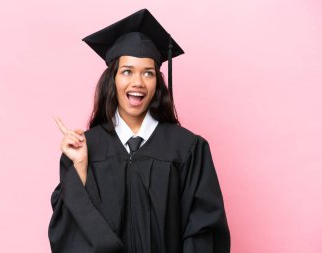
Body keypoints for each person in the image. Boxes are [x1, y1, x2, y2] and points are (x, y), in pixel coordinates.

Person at [48, 9, 230, 253]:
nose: (138, 82)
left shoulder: (187, 148)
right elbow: (68, 230)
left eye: (148, 73)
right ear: (112, 79)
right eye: (127, 71)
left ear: (158, 82)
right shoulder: (86, 148)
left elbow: (204, 230)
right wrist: (80, 168)